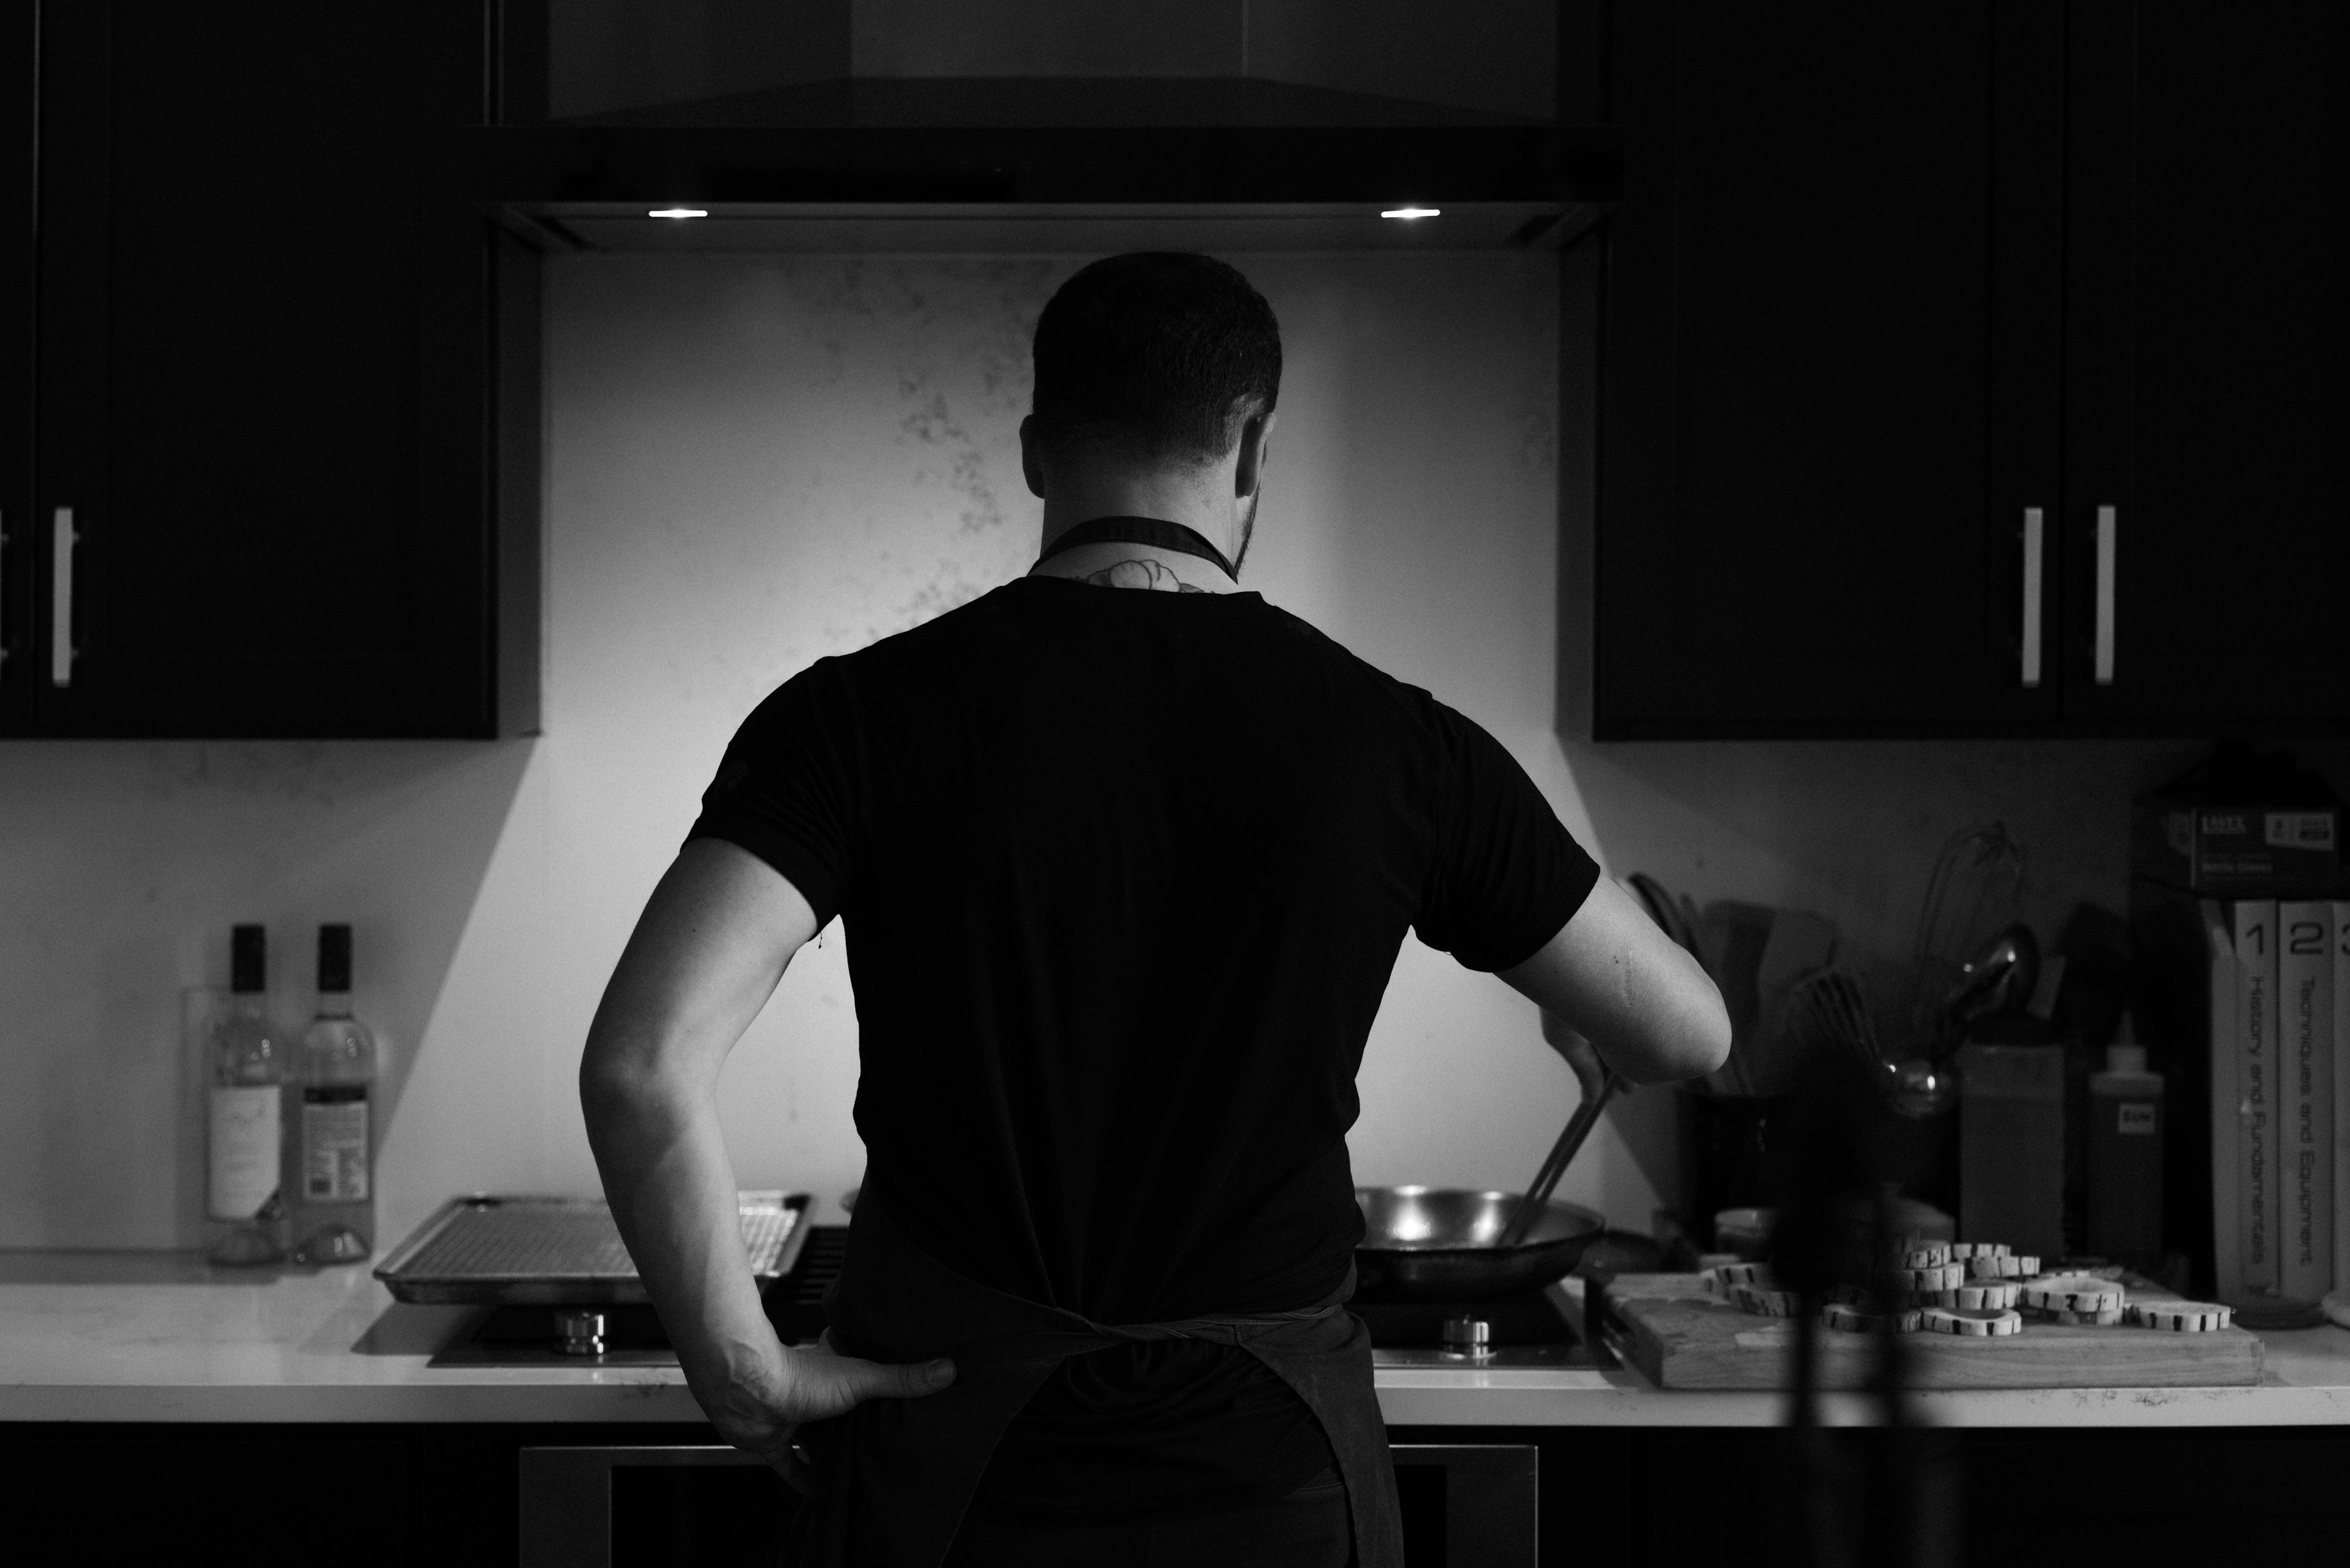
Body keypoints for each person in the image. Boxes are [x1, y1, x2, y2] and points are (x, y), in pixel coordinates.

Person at [580, 252, 1731, 1567]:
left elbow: (639, 1066)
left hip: (953, 1471)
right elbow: (1687, 1038)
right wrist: (1581, 1018)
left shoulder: (851, 718)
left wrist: (744, 1372)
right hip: (1269, 1479)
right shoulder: (1396, 744)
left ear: (1030, 453)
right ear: (1251, 447)